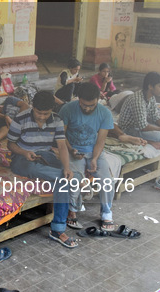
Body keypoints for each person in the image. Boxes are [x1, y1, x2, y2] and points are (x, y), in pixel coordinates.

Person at [7, 91, 77, 248]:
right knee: (62, 179)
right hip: (21, 158)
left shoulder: (57, 120)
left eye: (46, 113)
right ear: (33, 107)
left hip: (45, 155)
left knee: (67, 175)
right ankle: (58, 229)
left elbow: (61, 146)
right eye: (39, 112)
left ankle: (69, 208)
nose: (42, 117)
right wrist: (24, 152)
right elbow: (10, 144)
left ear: (52, 109)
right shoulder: (20, 118)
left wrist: (66, 167)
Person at [59, 82, 116, 231]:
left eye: (92, 105)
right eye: (84, 105)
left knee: (107, 180)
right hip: (72, 151)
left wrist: (95, 158)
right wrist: (71, 150)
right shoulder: (67, 109)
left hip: (94, 152)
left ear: (99, 99)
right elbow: (60, 135)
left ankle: (106, 213)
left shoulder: (105, 113)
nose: (87, 108)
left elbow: (101, 140)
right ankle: (73, 211)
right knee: (74, 178)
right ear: (78, 99)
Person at [118, 72, 160, 146]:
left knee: (159, 130)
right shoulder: (138, 100)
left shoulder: (151, 97)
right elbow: (143, 127)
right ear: (150, 86)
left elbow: (155, 116)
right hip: (129, 130)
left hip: (139, 126)